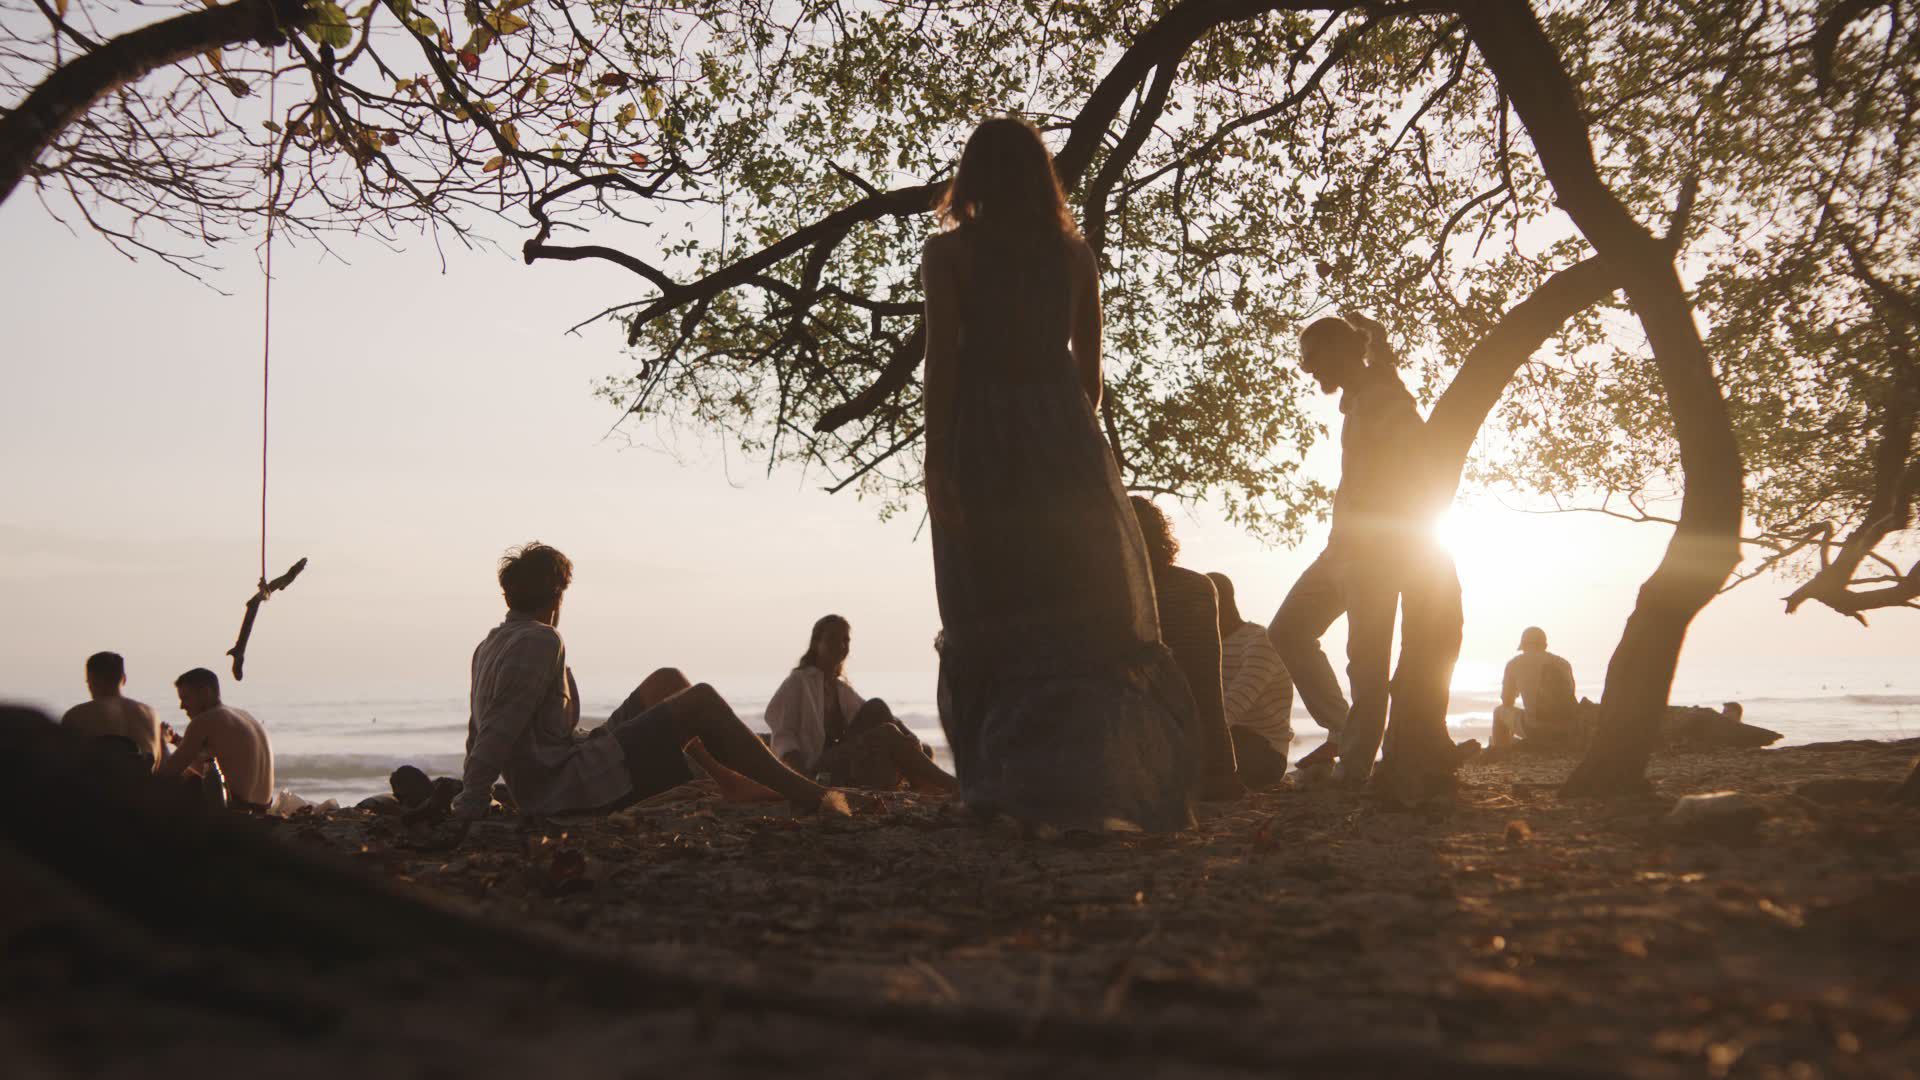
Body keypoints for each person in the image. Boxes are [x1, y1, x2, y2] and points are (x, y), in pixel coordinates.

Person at [921, 116, 1196, 832]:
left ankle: (1003, 786)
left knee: (991, 603)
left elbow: (943, 363)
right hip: (1064, 441)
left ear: (973, 177)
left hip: (980, 437)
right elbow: (1092, 381)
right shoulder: (1075, 258)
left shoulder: (949, 256)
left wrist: (938, 461)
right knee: (1075, 605)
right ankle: (1089, 788)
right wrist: (1056, 424)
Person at [452, 542, 848, 821]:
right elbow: (498, 730)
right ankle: (806, 792)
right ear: (557, 595)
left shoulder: (489, 644)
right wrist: (474, 802)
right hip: (566, 788)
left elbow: (478, 730)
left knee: (668, 680)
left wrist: (478, 790)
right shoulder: (541, 639)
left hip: (565, 764)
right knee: (702, 701)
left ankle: (730, 782)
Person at [1266, 313, 1460, 794]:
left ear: (1338, 352)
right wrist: (1379, 341)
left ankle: (1353, 767)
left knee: (1366, 660)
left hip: (1376, 554)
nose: (1307, 369)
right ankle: (1342, 727)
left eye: (1312, 357)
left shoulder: (1384, 397)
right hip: (1339, 550)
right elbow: (1379, 371)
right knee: (1287, 630)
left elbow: (1405, 425)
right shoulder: (1357, 396)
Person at [764, 615, 959, 792]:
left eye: (845, 640)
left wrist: (911, 739)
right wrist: (803, 780)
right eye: (833, 638)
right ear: (816, 643)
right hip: (817, 768)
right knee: (890, 732)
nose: (840, 645)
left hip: (842, 760)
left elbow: (876, 714)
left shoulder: (840, 688)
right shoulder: (799, 681)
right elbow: (783, 735)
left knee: (887, 717)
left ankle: (925, 778)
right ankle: (952, 785)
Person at [1130, 498, 1242, 799]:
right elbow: (1205, 678)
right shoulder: (1200, 584)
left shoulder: (1131, 592)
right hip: (1218, 764)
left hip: (1166, 764)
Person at [1207, 572, 1295, 789]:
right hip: (1229, 742)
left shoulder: (1260, 642)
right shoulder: (1207, 644)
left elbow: (1234, 704)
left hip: (1265, 752)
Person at [155, 668, 275, 810]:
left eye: (185, 698)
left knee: (181, 782)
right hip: (261, 809)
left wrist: (161, 741)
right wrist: (175, 740)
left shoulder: (204, 720)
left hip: (236, 810)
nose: (182, 706)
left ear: (205, 692)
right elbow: (216, 768)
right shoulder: (244, 716)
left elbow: (168, 772)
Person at [59, 651, 162, 767]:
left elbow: (64, 764)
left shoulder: (76, 716)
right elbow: (157, 763)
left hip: (98, 784)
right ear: (124, 678)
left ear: (91, 681)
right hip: (143, 782)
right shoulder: (151, 714)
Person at [1492, 626, 1580, 748]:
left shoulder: (1514, 664)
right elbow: (1571, 694)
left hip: (1536, 729)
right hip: (1567, 729)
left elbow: (1507, 701)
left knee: (1499, 712)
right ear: (1545, 645)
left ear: (1523, 645)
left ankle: (1500, 751)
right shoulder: (1563, 663)